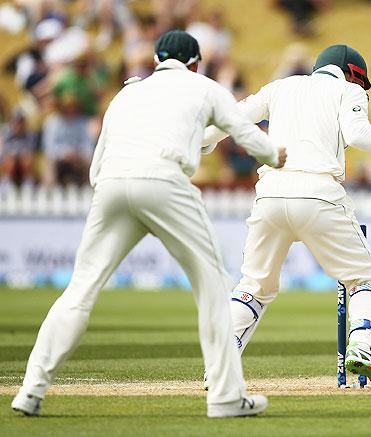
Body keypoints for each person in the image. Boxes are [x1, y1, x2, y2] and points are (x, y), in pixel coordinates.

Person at [11, 30, 286, 419]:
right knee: (213, 287)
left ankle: (30, 390)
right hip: (165, 180)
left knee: (80, 289)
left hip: (110, 186)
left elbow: (95, 167)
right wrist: (275, 155)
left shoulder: (126, 94)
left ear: (156, 60)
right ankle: (225, 397)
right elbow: (244, 135)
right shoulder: (204, 87)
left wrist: (120, 192)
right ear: (195, 63)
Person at [202, 44, 371, 392]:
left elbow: (231, 119)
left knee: (253, 287)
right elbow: (357, 134)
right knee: (367, 282)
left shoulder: (280, 86)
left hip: (269, 195)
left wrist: (199, 141)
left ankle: (219, 365)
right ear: (354, 73)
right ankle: (363, 347)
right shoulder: (349, 89)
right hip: (318, 195)